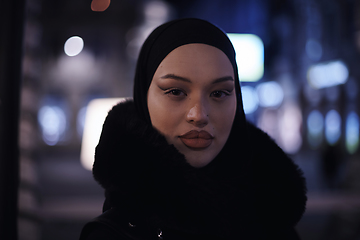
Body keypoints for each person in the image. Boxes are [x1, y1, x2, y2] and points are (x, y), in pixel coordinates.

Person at [79, 18, 307, 240]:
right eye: (176, 91)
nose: (198, 115)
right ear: (143, 97)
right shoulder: (114, 234)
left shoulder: (274, 220)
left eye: (219, 93)